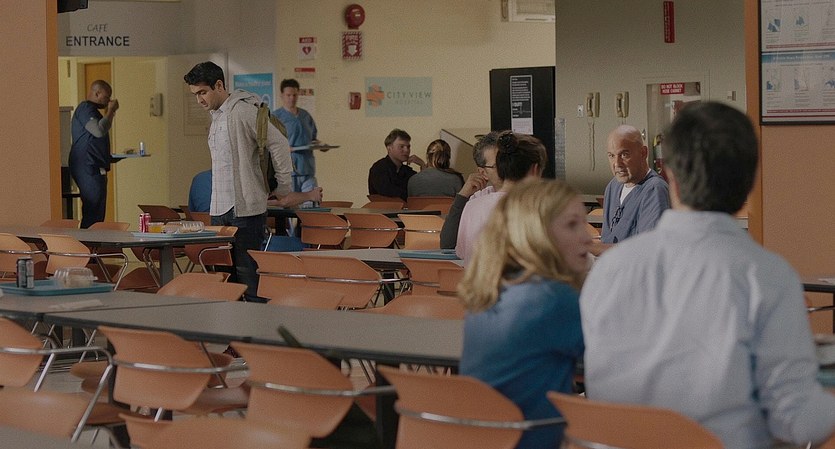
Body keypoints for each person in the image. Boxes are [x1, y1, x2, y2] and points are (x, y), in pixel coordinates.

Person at [580, 102, 835, 449]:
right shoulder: (768, 277)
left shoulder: (610, 271)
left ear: (669, 175)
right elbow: (796, 420)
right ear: (751, 181)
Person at [459, 178, 589, 449]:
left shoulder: (490, 290)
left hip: (479, 438)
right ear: (537, 234)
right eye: (571, 225)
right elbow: (619, 353)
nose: (588, 237)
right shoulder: (552, 299)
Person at [183, 61, 322, 302]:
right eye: (195, 94)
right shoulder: (216, 116)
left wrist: (283, 187)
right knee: (225, 281)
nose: (199, 100)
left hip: (245, 210)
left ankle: (256, 325)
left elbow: (279, 144)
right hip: (220, 209)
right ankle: (232, 326)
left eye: (203, 92)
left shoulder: (243, 111)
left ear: (219, 85)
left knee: (249, 281)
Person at [455, 131, 546, 264]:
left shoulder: (472, 205)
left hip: (476, 277)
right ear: (535, 170)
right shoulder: (535, 207)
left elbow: (461, 253)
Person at [596, 124, 670, 254]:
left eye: (624, 155)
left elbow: (647, 250)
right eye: (611, 156)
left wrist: (591, 248)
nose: (617, 164)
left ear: (643, 153)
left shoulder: (654, 190)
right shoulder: (613, 187)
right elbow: (606, 239)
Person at [69, 80, 120, 228]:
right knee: (93, 212)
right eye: (106, 96)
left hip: (92, 165)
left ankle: (90, 240)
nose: (109, 100)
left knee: (96, 211)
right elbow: (98, 130)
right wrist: (111, 111)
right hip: (88, 167)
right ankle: (88, 241)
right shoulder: (86, 109)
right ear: (97, 93)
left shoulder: (92, 111)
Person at [439, 131, 499, 249]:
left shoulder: (529, 196)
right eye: (497, 165)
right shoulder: (478, 199)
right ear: (483, 173)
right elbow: (448, 244)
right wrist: (462, 195)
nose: (507, 168)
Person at [273, 79, 319, 194]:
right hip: (288, 172)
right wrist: (284, 148)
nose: (292, 98)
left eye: (294, 95)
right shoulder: (276, 117)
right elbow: (270, 144)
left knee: (311, 201)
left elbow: (313, 138)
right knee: (292, 202)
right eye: (288, 95)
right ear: (282, 95)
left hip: (307, 169)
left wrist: (320, 145)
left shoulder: (305, 116)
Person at [367, 129, 426, 201]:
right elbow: (388, 192)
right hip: (383, 207)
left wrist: (422, 165)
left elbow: (423, 189)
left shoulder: (407, 171)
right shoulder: (379, 168)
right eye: (401, 146)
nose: (406, 150)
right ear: (389, 148)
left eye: (408, 147)